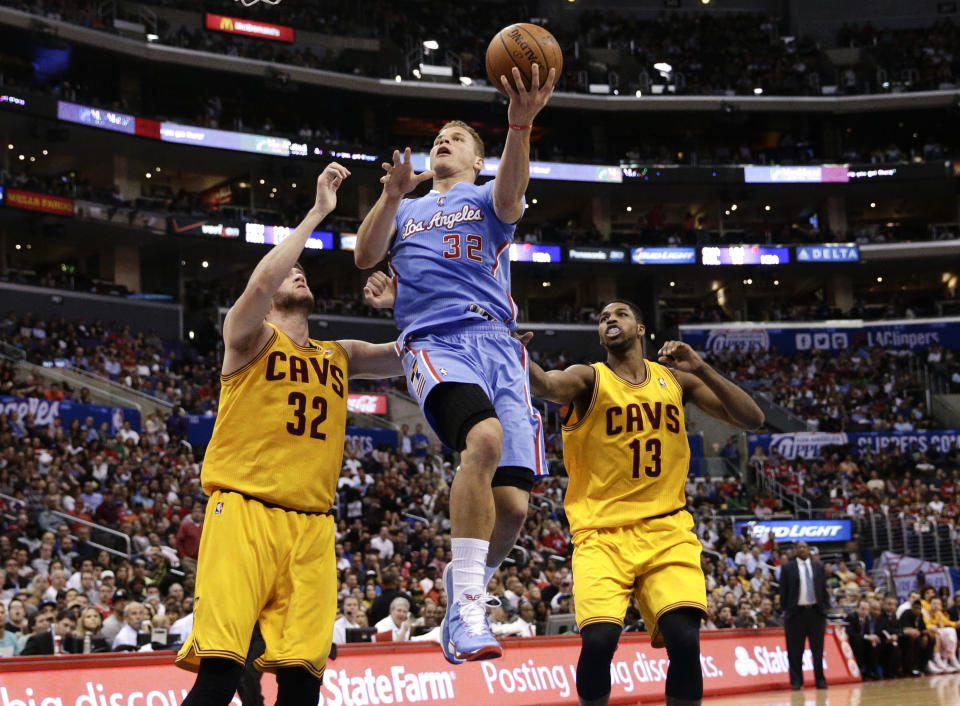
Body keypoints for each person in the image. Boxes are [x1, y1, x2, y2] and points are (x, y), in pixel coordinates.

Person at [175, 164, 403, 706]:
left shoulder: (338, 354)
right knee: (221, 675)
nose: (298, 273)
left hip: (312, 528)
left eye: (303, 269)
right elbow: (258, 282)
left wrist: (405, 306)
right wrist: (318, 212)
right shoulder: (246, 337)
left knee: (304, 684)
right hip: (245, 511)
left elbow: (410, 353)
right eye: (289, 269)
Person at [355, 61, 556, 663]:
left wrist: (519, 125)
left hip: (498, 345)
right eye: (439, 135)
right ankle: (467, 604)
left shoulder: (487, 197)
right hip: (435, 341)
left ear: (475, 160)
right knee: (484, 440)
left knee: (515, 508)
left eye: (459, 136)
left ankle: (465, 587)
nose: (444, 139)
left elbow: (514, 191)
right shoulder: (409, 210)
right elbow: (366, 255)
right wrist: (391, 194)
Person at [526, 300, 764, 706]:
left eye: (619, 314)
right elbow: (547, 386)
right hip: (602, 533)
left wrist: (701, 367)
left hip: (666, 529)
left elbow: (752, 419)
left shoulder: (676, 381)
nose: (608, 320)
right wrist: (515, 353)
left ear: (640, 329)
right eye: (602, 318)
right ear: (600, 336)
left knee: (685, 639)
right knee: (599, 641)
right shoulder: (588, 378)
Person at [779, 542, 830, 690]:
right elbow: (783, 592)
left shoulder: (818, 567)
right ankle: (796, 682)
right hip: (796, 614)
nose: (801, 549)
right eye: (798, 547)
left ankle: (820, 680)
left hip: (815, 613)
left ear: (808, 550)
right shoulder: (788, 568)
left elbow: (824, 590)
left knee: (818, 650)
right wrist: (787, 610)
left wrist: (825, 608)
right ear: (795, 550)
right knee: (795, 651)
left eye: (804, 547)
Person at [847, 600, 880, 679]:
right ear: (857, 609)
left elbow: (867, 633)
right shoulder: (851, 617)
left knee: (874, 644)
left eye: (867, 610)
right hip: (852, 642)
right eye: (863, 609)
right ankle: (860, 670)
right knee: (858, 642)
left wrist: (872, 637)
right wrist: (866, 637)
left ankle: (871, 671)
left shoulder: (867, 619)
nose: (865, 612)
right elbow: (851, 634)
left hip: (862, 641)